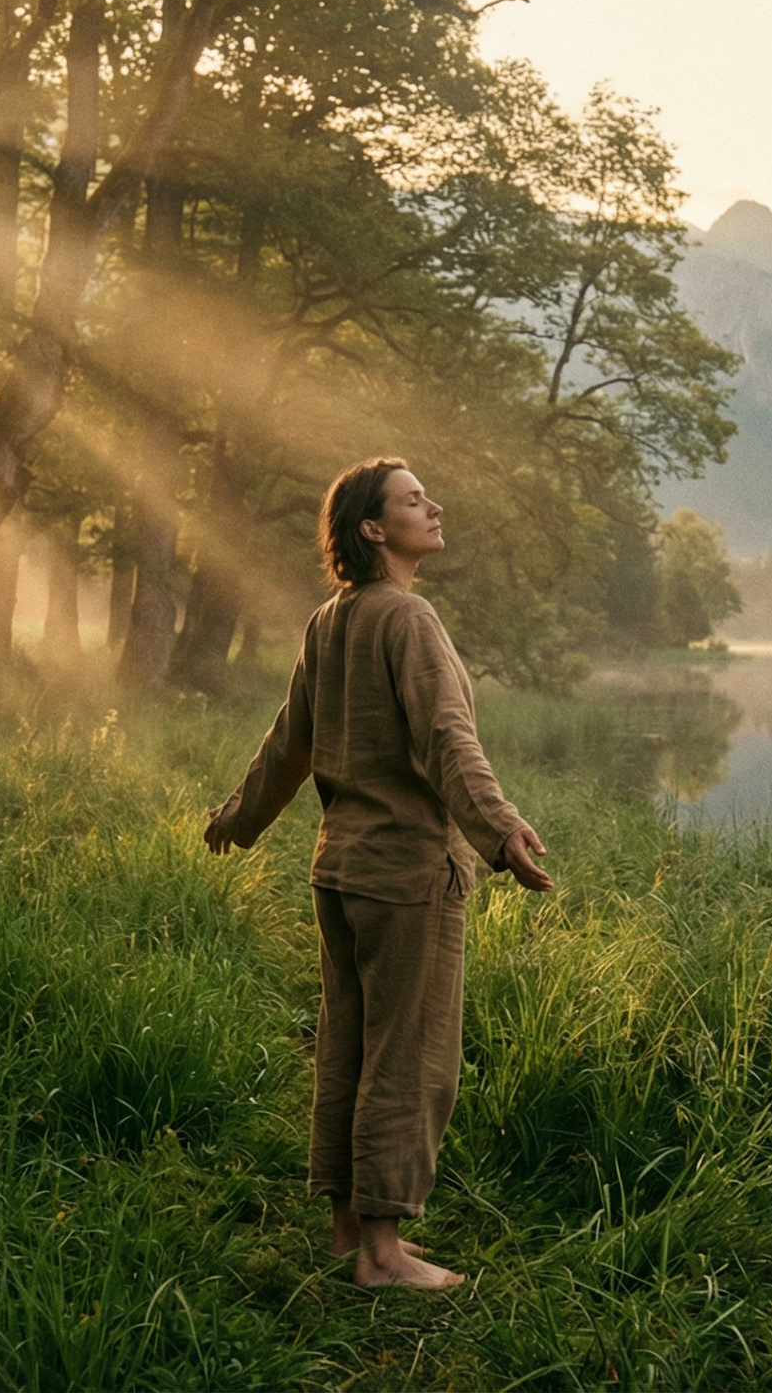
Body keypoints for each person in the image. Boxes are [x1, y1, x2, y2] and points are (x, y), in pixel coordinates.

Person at [203, 457, 552, 1290]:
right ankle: (386, 1257)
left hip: (340, 875)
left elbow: (290, 740)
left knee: (350, 1051)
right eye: (411, 500)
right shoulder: (409, 619)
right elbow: (445, 739)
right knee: (410, 1058)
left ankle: (344, 1234)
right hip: (406, 876)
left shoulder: (332, 620)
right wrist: (501, 830)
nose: (433, 506)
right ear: (372, 528)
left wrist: (238, 819)